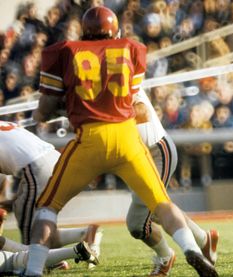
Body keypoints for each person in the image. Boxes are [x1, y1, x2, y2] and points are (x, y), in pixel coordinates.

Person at [28, 6, 218, 277]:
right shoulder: (130, 50)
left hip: (95, 139)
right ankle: (192, 249)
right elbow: (117, 98)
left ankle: (33, 269)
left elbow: (48, 108)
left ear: (84, 32)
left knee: (47, 207)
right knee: (162, 205)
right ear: (115, 31)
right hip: (127, 138)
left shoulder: (67, 51)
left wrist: (50, 111)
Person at [127, 88, 219, 276]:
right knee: (152, 213)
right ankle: (202, 240)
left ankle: (167, 257)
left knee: (140, 221)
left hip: (154, 151)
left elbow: (140, 110)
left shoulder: (120, 67)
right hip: (133, 157)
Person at [0, 121, 102, 257]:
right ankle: (83, 234)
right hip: (54, 161)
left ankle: (66, 255)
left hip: (37, 168)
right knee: (35, 224)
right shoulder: (5, 123)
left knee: (32, 240)